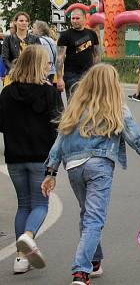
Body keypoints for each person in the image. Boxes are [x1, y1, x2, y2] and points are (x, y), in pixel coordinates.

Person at [42, 64, 140, 285]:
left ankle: (94, 261)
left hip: (73, 167)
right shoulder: (116, 108)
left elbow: (60, 140)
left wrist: (51, 172)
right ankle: (80, 272)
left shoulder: (75, 107)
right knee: (94, 218)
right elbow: (135, 137)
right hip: (100, 167)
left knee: (88, 215)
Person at [0, 46, 60, 275]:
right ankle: (28, 236)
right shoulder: (49, 93)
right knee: (41, 204)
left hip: (15, 157)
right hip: (40, 157)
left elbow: (1, 125)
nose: (49, 66)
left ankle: (20, 258)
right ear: (38, 65)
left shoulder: (7, 92)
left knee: (23, 205)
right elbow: (59, 125)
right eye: (46, 63)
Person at [57, 9, 100, 99]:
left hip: (88, 74)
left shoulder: (92, 34)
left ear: (84, 18)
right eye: (73, 18)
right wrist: (59, 78)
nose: (74, 21)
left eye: (77, 18)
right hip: (71, 75)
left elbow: (97, 55)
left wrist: (96, 72)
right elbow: (60, 58)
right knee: (73, 103)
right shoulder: (65, 35)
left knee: (89, 102)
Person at [2, 12, 38, 83]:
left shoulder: (35, 39)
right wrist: (15, 70)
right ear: (15, 22)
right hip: (13, 75)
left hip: (31, 76)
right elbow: (5, 58)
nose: (24, 23)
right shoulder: (8, 39)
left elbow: (39, 57)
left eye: (26, 21)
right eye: (21, 21)